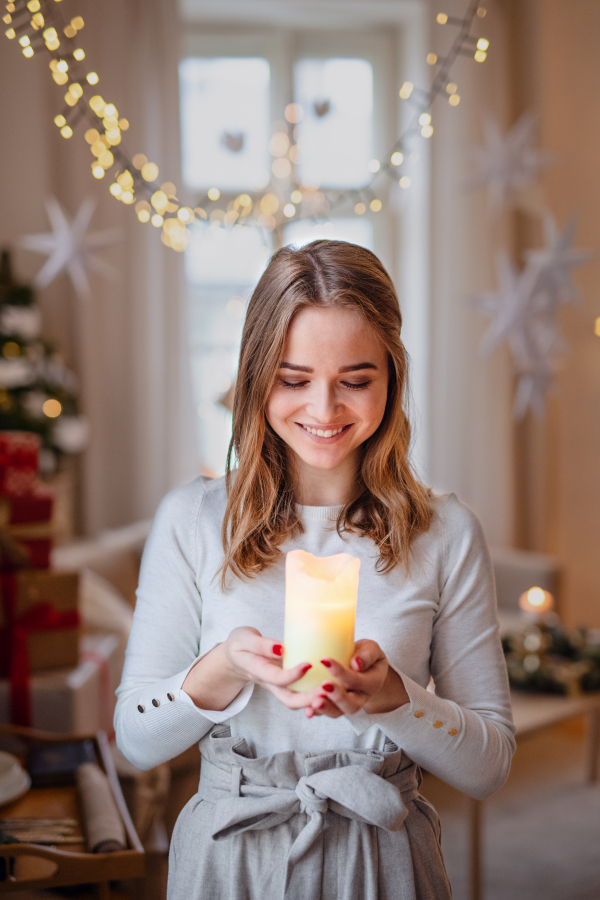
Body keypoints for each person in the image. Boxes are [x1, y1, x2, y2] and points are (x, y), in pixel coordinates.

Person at [115, 240, 515, 900]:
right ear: (255, 377)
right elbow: (135, 738)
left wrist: (397, 700)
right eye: (294, 380)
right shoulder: (190, 519)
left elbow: (489, 766)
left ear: (392, 376)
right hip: (228, 857)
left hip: (382, 855)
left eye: (356, 381)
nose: (325, 411)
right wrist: (223, 668)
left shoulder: (446, 533)